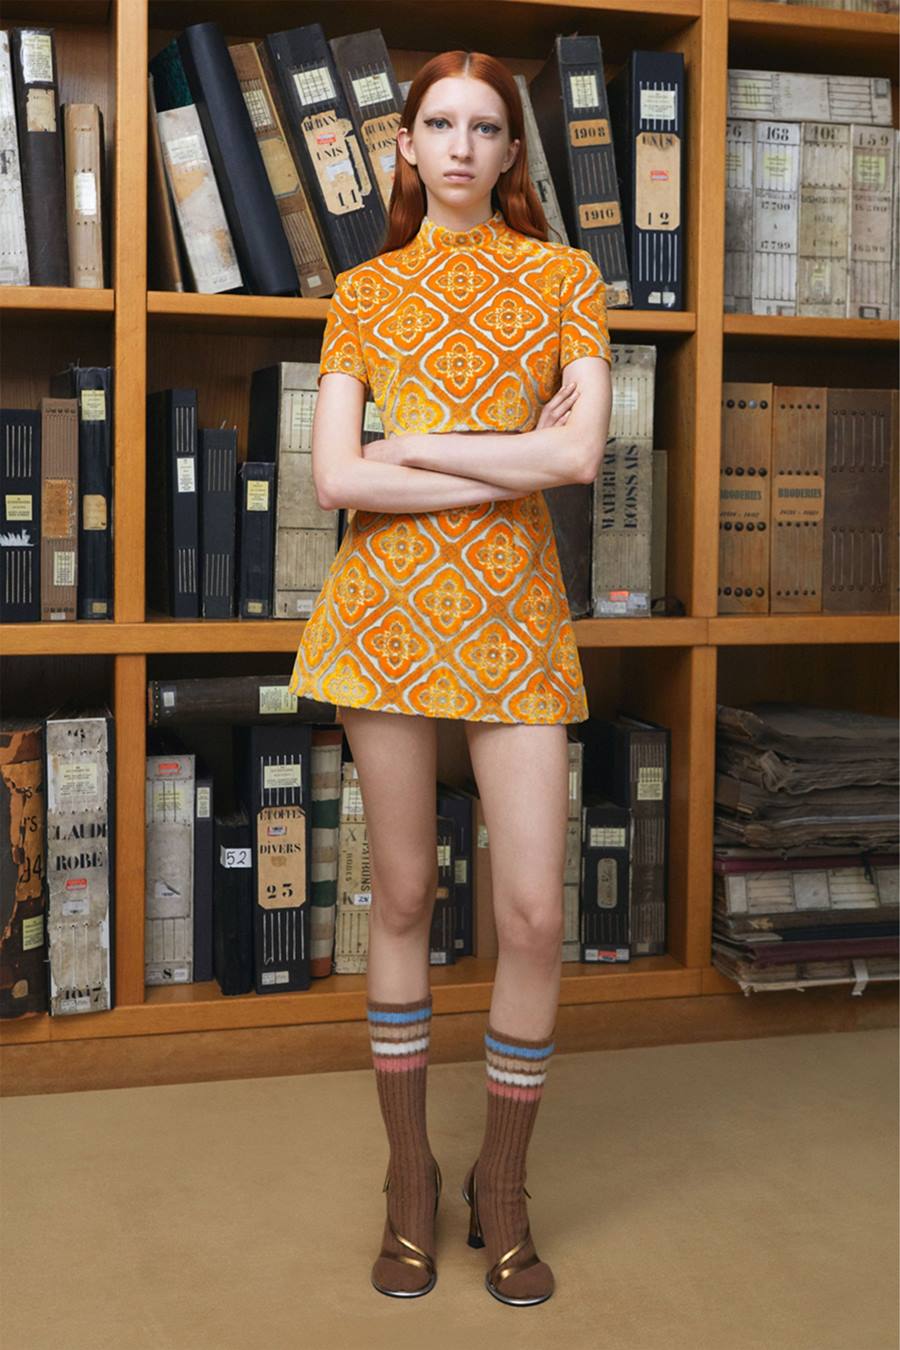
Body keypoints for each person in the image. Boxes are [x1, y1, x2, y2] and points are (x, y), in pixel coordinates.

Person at [288, 48, 612, 1306]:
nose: (466, 146)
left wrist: (416, 440)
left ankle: (506, 1187)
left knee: (534, 913)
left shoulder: (564, 278)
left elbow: (580, 459)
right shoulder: (365, 290)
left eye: (489, 125)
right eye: (441, 123)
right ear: (407, 149)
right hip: (385, 616)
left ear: (515, 152)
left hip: (516, 617)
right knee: (409, 898)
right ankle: (412, 1180)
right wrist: (504, 455)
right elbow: (335, 481)